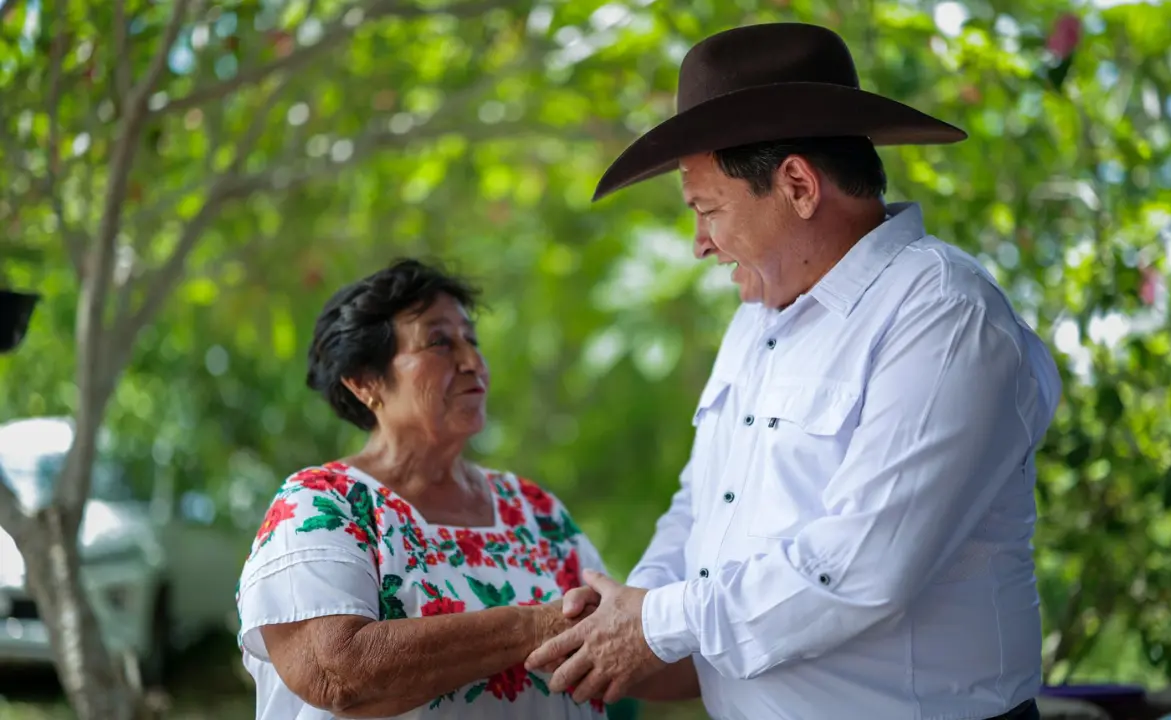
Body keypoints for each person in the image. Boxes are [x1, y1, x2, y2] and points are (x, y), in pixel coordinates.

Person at [526, 22, 1062, 720]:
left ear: (799, 185)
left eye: (707, 210)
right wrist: (638, 598)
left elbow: (865, 563)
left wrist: (656, 618)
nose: (699, 245)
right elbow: (704, 503)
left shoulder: (944, 315)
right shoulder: (758, 321)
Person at [236, 258, 613, 719]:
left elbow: (623, 645)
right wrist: (532, 628)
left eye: (472, 341)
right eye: (439, 342)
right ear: (365, 381)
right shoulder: (323, 503)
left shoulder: (535, 510)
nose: (473, 362)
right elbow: (334, 672)